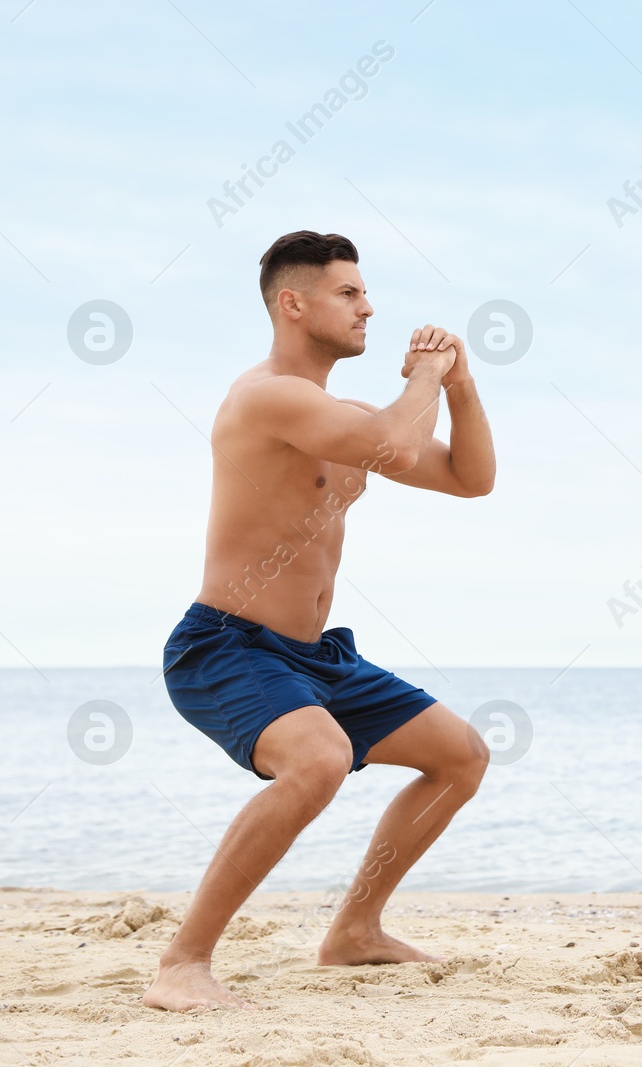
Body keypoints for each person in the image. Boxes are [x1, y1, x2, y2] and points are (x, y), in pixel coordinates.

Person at [143, 230, 496, 1011]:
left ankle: (355, 932)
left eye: (367, 292)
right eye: (349, 293)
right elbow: (392, 439)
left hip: (315, 656)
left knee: (461, 756)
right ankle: (182, 962)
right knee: (319, 758)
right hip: (226, 646)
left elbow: (472, 479)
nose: (369, 307)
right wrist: (429, 375)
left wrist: (461, 386)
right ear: (292, 303)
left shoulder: (346, 412)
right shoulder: (266, 397)